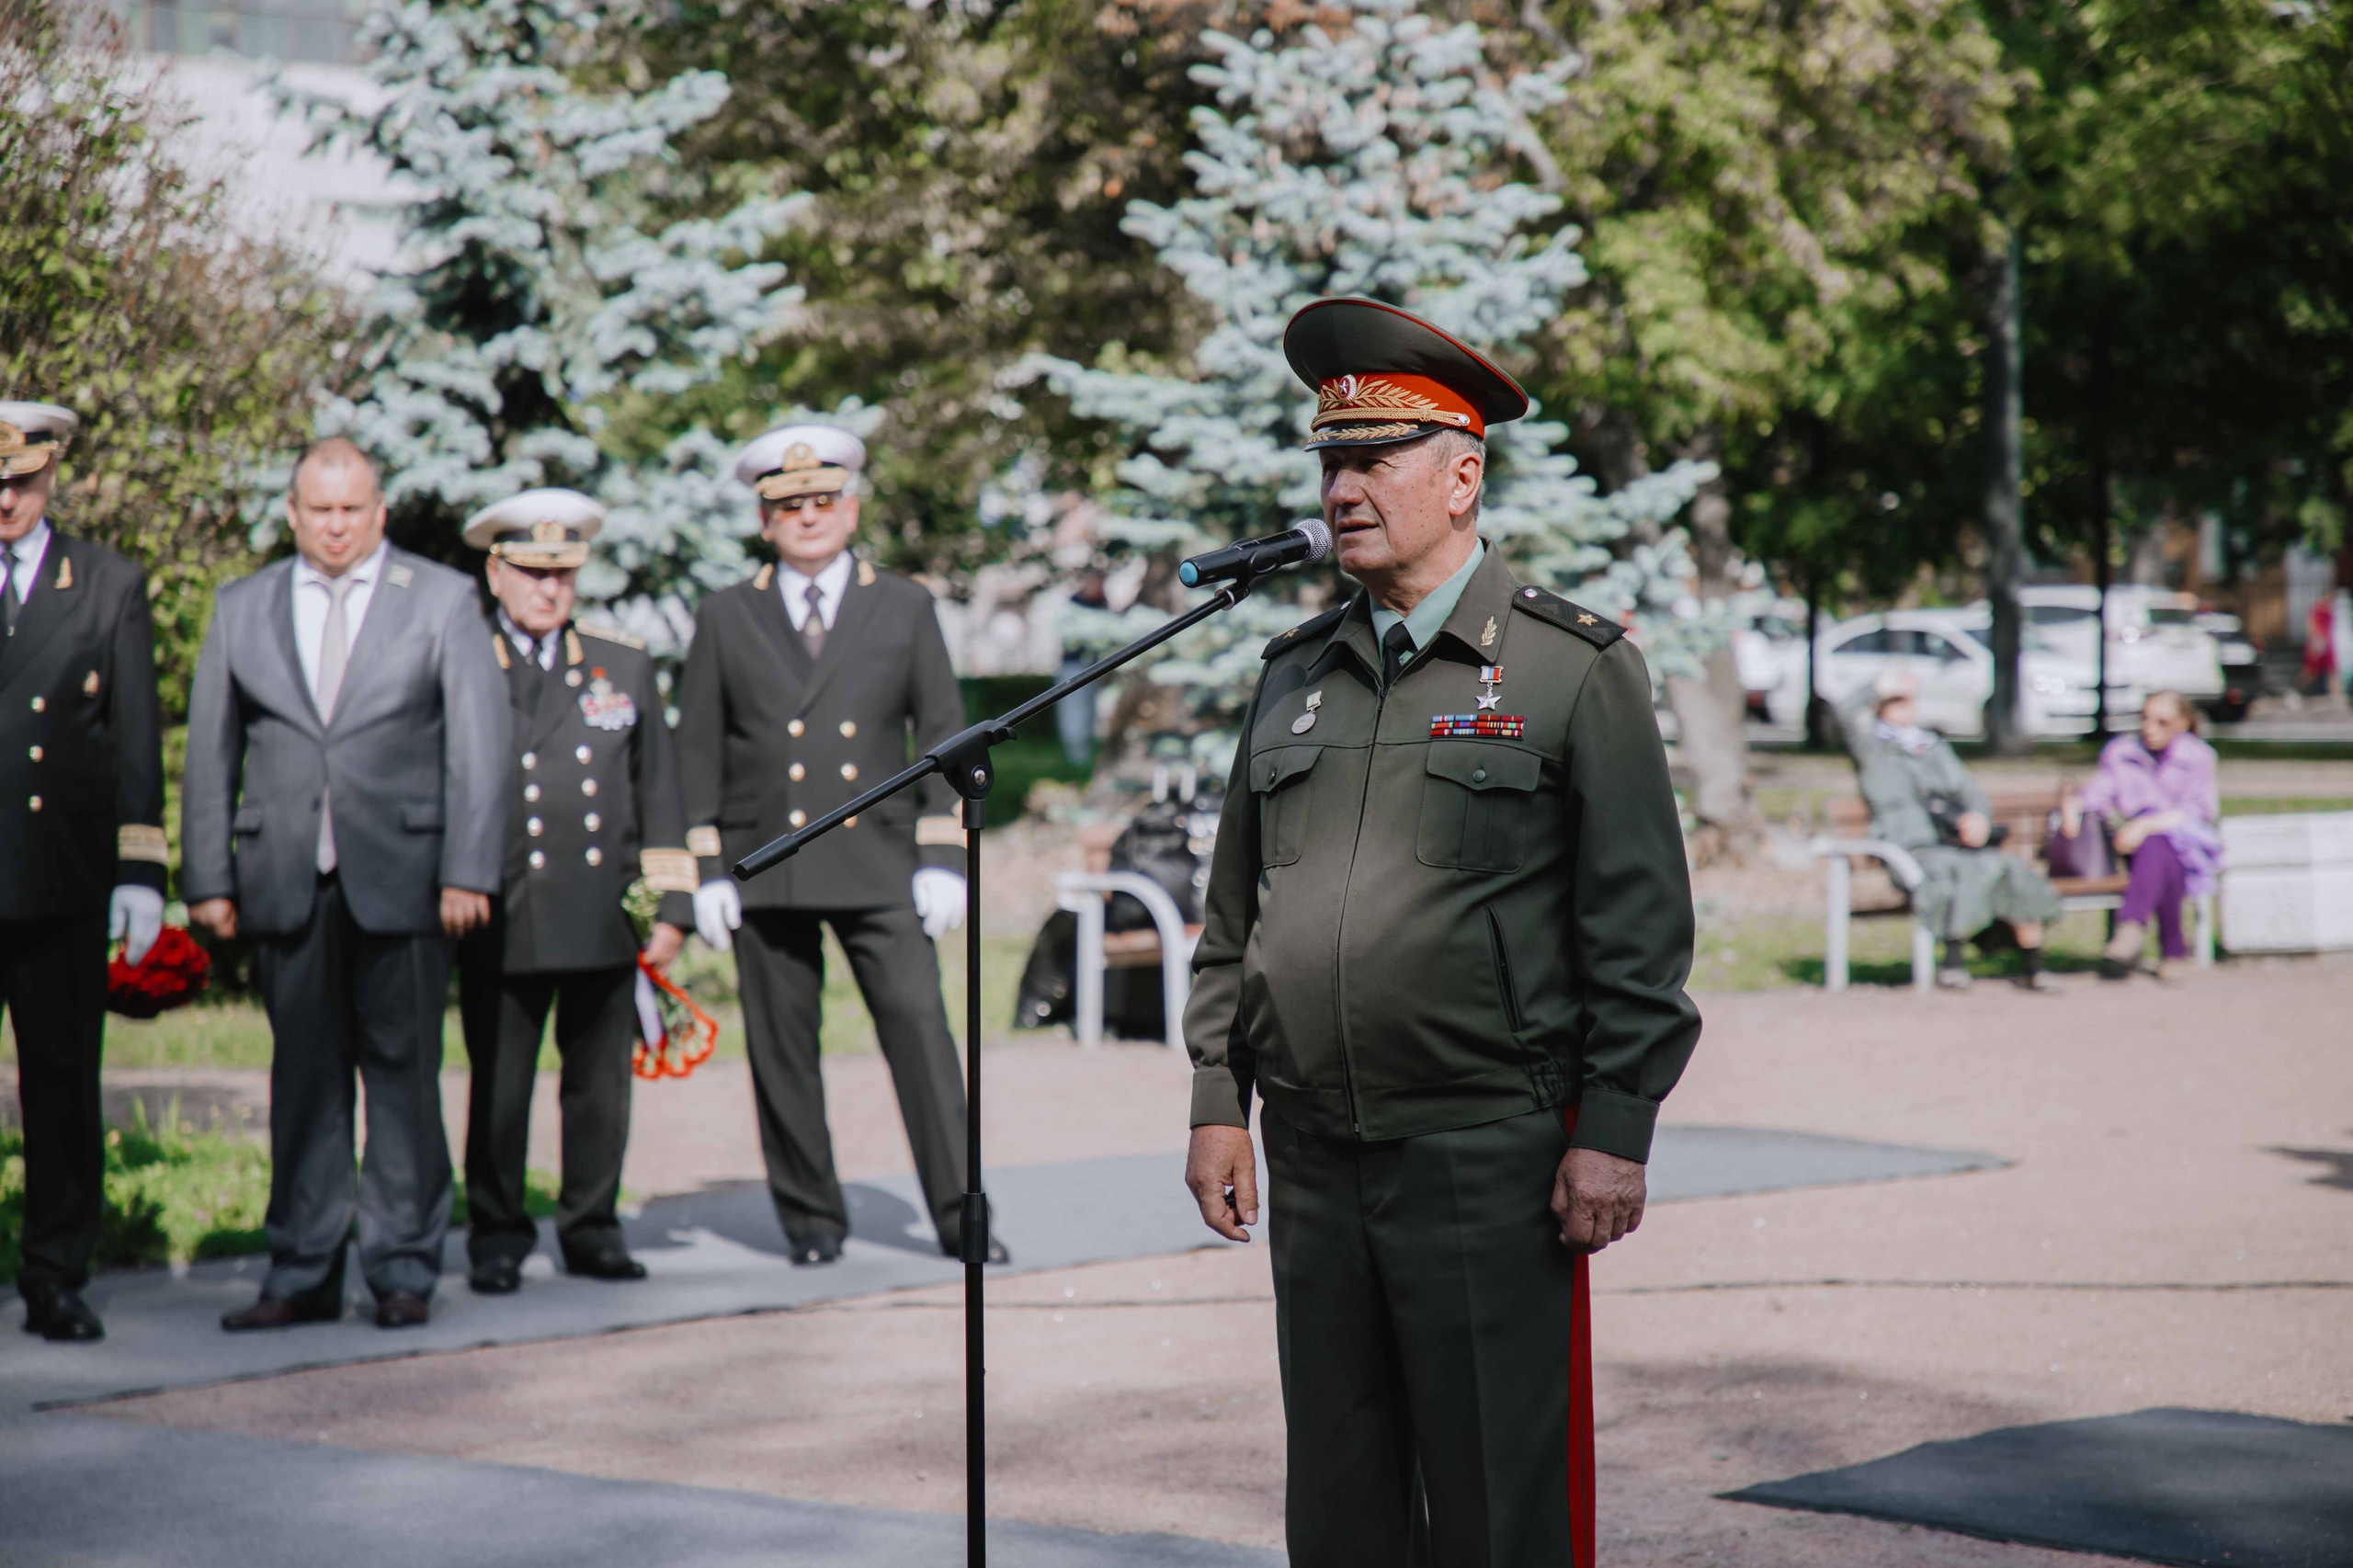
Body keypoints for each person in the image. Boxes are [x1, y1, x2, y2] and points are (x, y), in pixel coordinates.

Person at [1180, 299, 1702, 1567]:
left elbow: (1639, 933)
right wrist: (1214, 1095)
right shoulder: (1293, 672)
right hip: (1314, 1156)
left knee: (1490, 1512)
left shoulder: (1568, 667)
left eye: (1374, 460)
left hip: (1485, 1156)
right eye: (1328, 462)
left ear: (1462, 476)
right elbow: (1235, 911)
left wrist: (1613, 1134)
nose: (1342, 487)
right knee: (1341, 1511)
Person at [183, 438, 508, 1332]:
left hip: (407, 878)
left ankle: (402, 1264)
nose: (335, 526)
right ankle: (301, 1265)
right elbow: (211, 750)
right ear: (292, 511)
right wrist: (207, 872)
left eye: (351, 510)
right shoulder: (242, 606)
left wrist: (470, 868)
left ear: (380, 513)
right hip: (285, 878)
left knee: (404, 1080)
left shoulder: (441, 600)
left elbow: (479, 748)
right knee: (304, 1079)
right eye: (319, 510)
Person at [676, 425, 1003, 1267]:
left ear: (852, 508)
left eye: (823, 501)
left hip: (880, 861)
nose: (808, 517)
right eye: (789, 506)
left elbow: (943, 733)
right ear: (764, 519)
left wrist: (941, 855)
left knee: (923, 1039)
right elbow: (698, 753)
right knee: (783, 1054)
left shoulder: (903, 605)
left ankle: (959, 1216)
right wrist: (706, 870)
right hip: (767, 864)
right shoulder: (724, 614)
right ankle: (812, 1222)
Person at [454, 489, 696, 1294]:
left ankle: (592, 1225)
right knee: (500, 1084)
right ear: (496, 572)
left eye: (561, 572)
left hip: (598, 910)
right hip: (502, 910)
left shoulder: (619, 663)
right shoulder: (462, 659)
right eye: (529, 571)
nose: (547, 589)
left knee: (599, 1086)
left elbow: (660, 790)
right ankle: (495, 1231)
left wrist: (671, 907)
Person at [0, 403, 166, 1343]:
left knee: (62, 1082)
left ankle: (57, 1271)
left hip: (60, 877)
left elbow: (134, 739)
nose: (7, 498)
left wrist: (142, 869)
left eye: (21, 479)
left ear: (53, 471)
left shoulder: (105, 583)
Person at [1838, 671, 2064, 991]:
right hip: (1908, 848)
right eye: (1894, 702)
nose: (1903, 708)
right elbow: (1843, 711)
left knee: (2008, 867)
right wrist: (1877, 685)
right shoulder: (1872, 748)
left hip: (1952, 843)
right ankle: (1953, 961)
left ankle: (2034, 964)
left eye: (1907, 701)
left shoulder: (1930, 746)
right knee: (1958, 870)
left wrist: (1977, 817)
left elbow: (1969, 791)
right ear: (1879, 706)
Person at [2060, 690, 2220, 982]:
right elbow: (2099, 793)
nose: (2149, 727)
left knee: (2162, 847)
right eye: (2145, 718)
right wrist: (2074, 806)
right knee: (2158, 850)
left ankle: (2132, 927)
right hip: (2128, 845)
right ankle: (2172, 952)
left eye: (2162, 721)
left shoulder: (2197, 757)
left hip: (2184, 843)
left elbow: (2198, 811)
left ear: (2182, 723)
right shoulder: (2122, 753)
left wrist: (2146, 825)